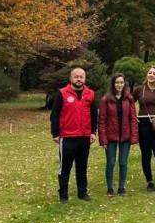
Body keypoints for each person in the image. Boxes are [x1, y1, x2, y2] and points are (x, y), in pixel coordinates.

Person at [51, 68, 98, 203]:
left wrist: (93, 132)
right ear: (71, 78)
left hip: (84, 137)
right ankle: (63, 194)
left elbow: (94, 115)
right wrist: (55, 134)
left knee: (82, 166)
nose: (79, 79)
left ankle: (82, 192)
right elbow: (55, 115)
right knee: (65, 167)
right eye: (76, 77)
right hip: (67, 137)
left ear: (85, 78)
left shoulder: (90, 94)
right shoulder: (62, 93)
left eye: (81, 77)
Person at [98, 73, 139, 196]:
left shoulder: (129, 99)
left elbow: (133, 118)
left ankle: (121, 187)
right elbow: (102, 120)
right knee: (110, 162)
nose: (119, 85)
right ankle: (110, 188)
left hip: (125, 135)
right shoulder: (106, 99)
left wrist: (134, 137)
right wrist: (103, 139)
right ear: (113, 83)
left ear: (124, 84)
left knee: (123, 162)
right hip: (111, 136)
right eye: (117, 82)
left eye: (121, 82)